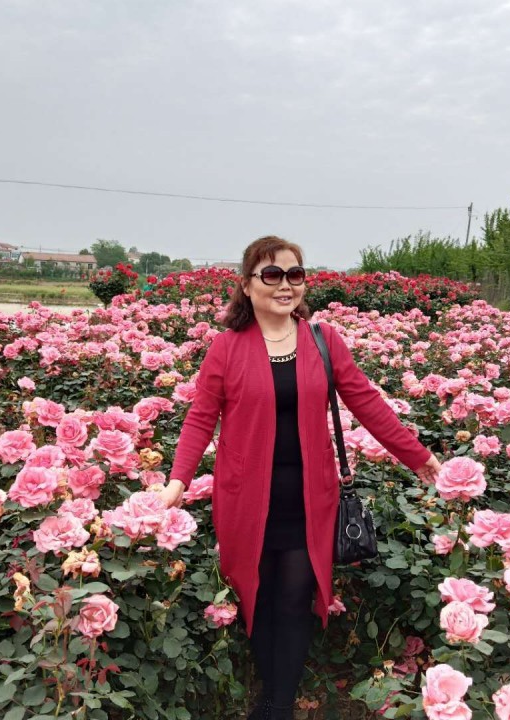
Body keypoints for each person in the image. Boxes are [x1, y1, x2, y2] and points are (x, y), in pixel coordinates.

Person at [160, 236, 442, 719]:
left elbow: (366, 402)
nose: (285, 284)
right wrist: (177, 481)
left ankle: (279, 704)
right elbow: (200, 418)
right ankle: (269, 690)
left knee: (294, 598)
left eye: (295, 274)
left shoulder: (322, 339)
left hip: (308, 497)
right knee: (256, 595)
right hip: (246, 498)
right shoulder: (227, 348)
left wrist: (418, 457)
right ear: (247, 285)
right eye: (272, 275)